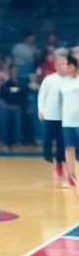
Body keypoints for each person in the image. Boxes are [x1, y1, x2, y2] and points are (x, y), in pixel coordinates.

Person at [38, 50, 68, 183]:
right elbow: (42, 95)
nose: (61, 65)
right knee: (47, 139)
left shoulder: (73, 79)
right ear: (55, 65)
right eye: (58, 63)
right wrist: (41, 109)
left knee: (62, 143)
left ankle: (59, 164)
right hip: (50, 115)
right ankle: (49, 157)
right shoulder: (49, 79)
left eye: (64, 63)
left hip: (66, 117)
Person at [59, 55, 79, 192]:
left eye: (68, 65)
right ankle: (71, 178)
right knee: (69, 148)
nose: (66, 67)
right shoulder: (63, 83)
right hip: (67, 121)